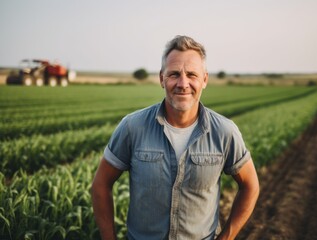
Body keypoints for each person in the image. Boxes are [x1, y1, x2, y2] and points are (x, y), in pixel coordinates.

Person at [91, 35, 259, 240]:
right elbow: (100, 184)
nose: (183, 83)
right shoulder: (132, 127)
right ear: (162, 78)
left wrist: (227, 237)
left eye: (191, 74)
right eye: (174, 74)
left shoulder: (225, 132)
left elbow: (250, 185)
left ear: (204, 79)